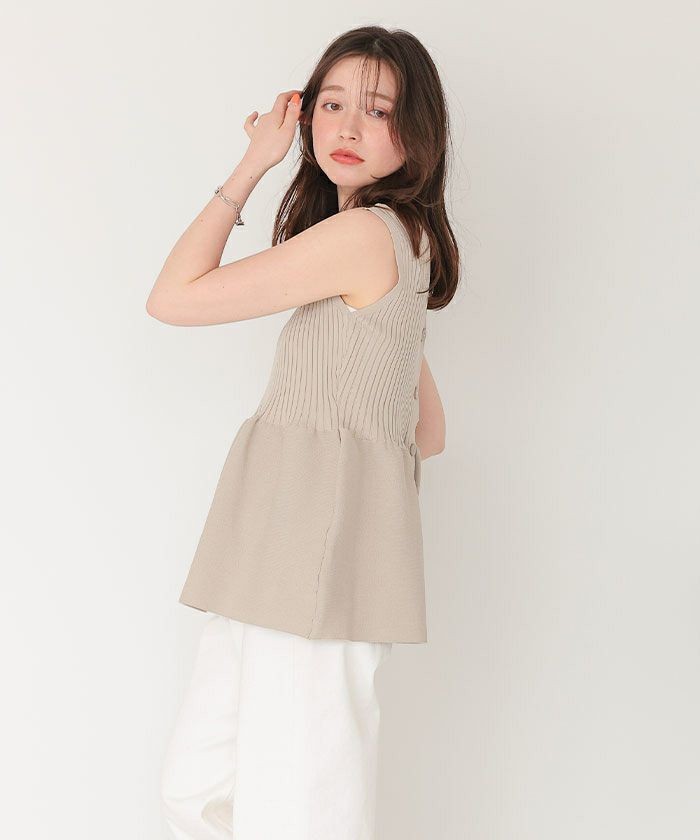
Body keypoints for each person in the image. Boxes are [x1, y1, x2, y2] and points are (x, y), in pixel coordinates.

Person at [146, 24, 459, 840]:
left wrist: (254, 162)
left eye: (379, 110)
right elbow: (427, 431)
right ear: (308, 113)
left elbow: (172, 298)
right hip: (275, 553)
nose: (348, 126)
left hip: (312, 563)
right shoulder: (399, 247)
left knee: (298, 812)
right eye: (332, 104)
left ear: (417, 134)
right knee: (198, 790)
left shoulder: (363, 237)